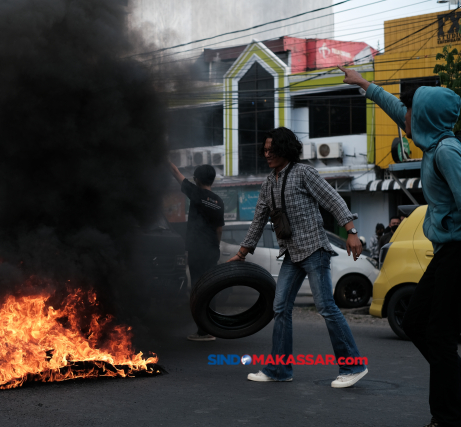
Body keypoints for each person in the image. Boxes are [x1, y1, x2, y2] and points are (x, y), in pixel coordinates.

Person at [339, 64, 461, 427]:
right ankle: (451, 384)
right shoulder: (434, 141)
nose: (403, 116)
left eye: (410, 111)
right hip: (446, 252)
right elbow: (397, 108)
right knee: (415, 322)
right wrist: (364, 85)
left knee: (438, 336)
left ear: (423, 116)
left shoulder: (447, 153)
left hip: (457, 252)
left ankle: (447, 417)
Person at [229, 127, 367, 388]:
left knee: (326, 307)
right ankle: (279, 370)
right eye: (265, 150)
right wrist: (241, 253)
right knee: (280, 308)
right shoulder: (268, 182)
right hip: (291, 255)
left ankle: (353, 365)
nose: (267, 154)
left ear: (286, 149)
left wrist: (352, 232)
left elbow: (333, 199)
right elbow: (258, 220)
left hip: (314, 249)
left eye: (273, 149)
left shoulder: (304, 173)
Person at [168, 162, 224, 342]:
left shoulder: (196, 193)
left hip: (197, 251)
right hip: (211, 251)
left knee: (198, 291)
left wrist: (163, 157)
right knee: (210, 289)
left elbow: (175, 172)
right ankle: (211, 328)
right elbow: (219, 229)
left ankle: (204, 331)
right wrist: (215, 246)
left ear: (197, 179)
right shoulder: (218, 201)